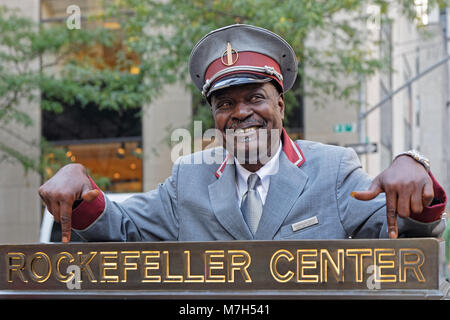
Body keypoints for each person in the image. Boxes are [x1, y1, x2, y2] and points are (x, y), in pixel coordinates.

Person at [38, 24, 447, 243]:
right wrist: (81, 187)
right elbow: (123, 230)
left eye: (255, 97)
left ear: (281, 105)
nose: (241, 113)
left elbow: (404, 239)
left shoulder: (334, 170)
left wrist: (415, 176)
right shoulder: (189, 178)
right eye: (225, 104)